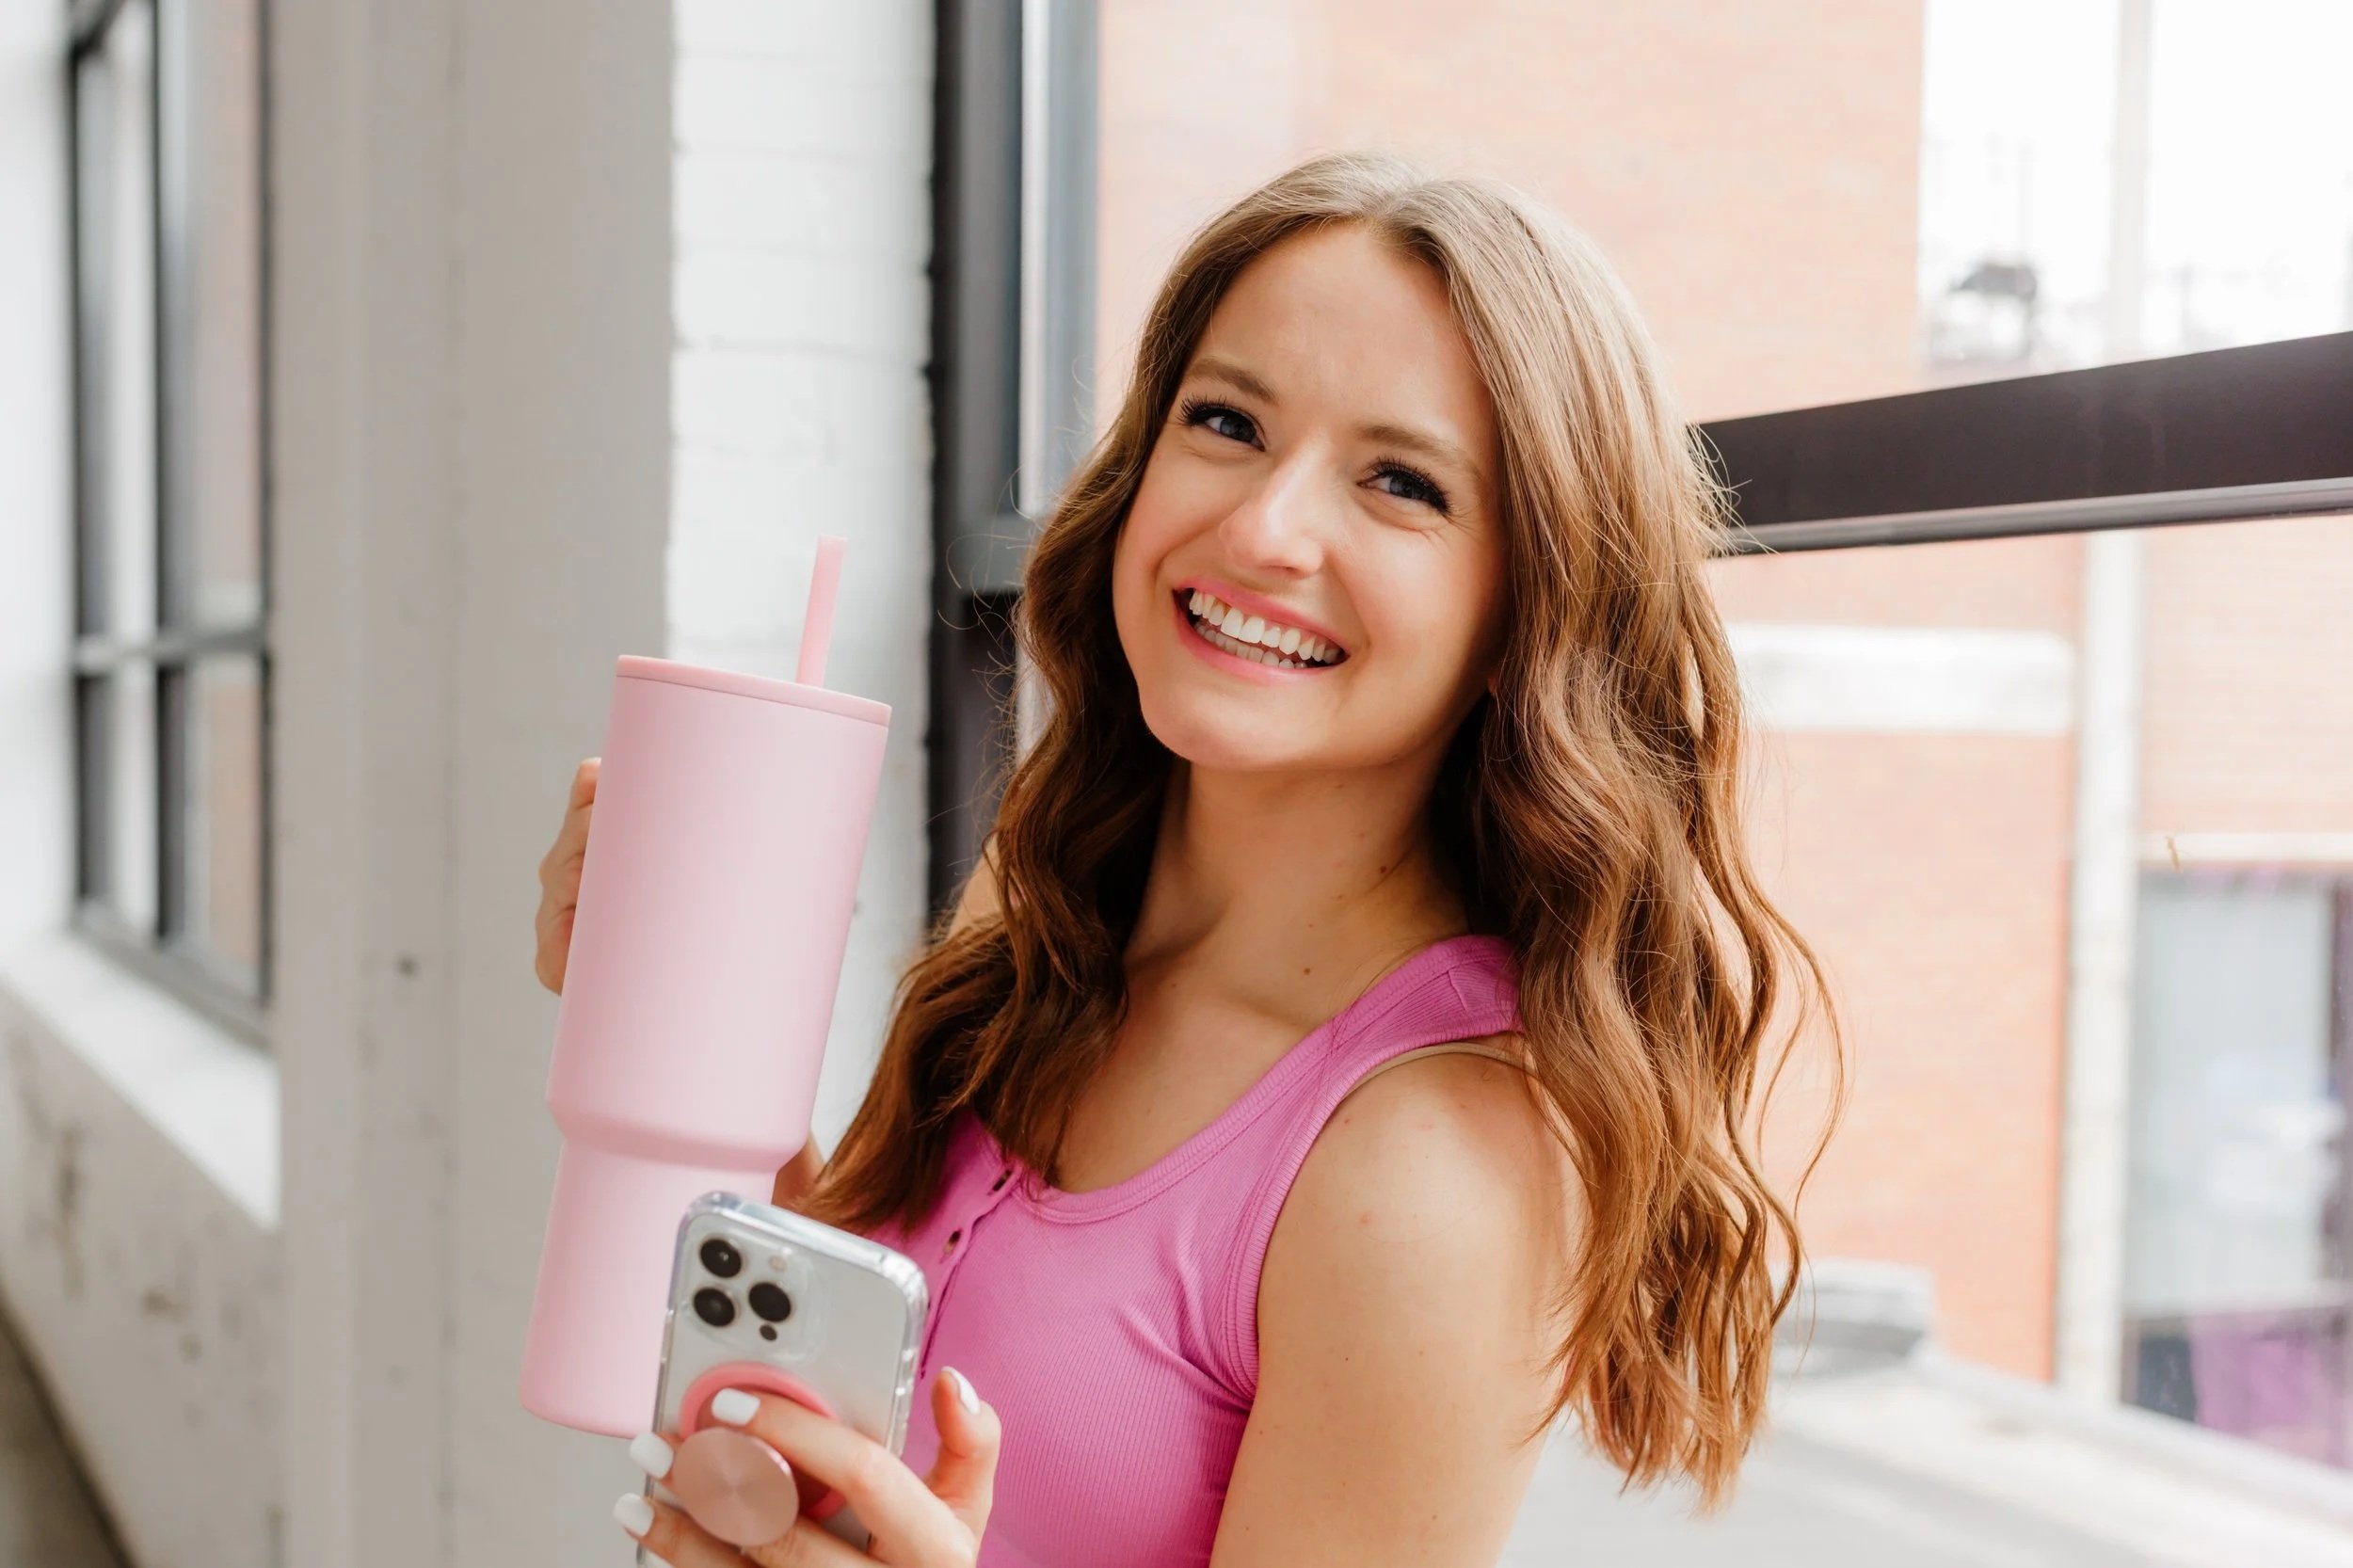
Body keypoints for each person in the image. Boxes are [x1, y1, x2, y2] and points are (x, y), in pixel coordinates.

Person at [534, 151, 1840, 1567]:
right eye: (1226, 420)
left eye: (1400, 482)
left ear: (1528, 604)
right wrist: (678, 1037)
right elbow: (902, 1378)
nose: (1266, 529)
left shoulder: (1423, 1166)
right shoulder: (1059, 931)